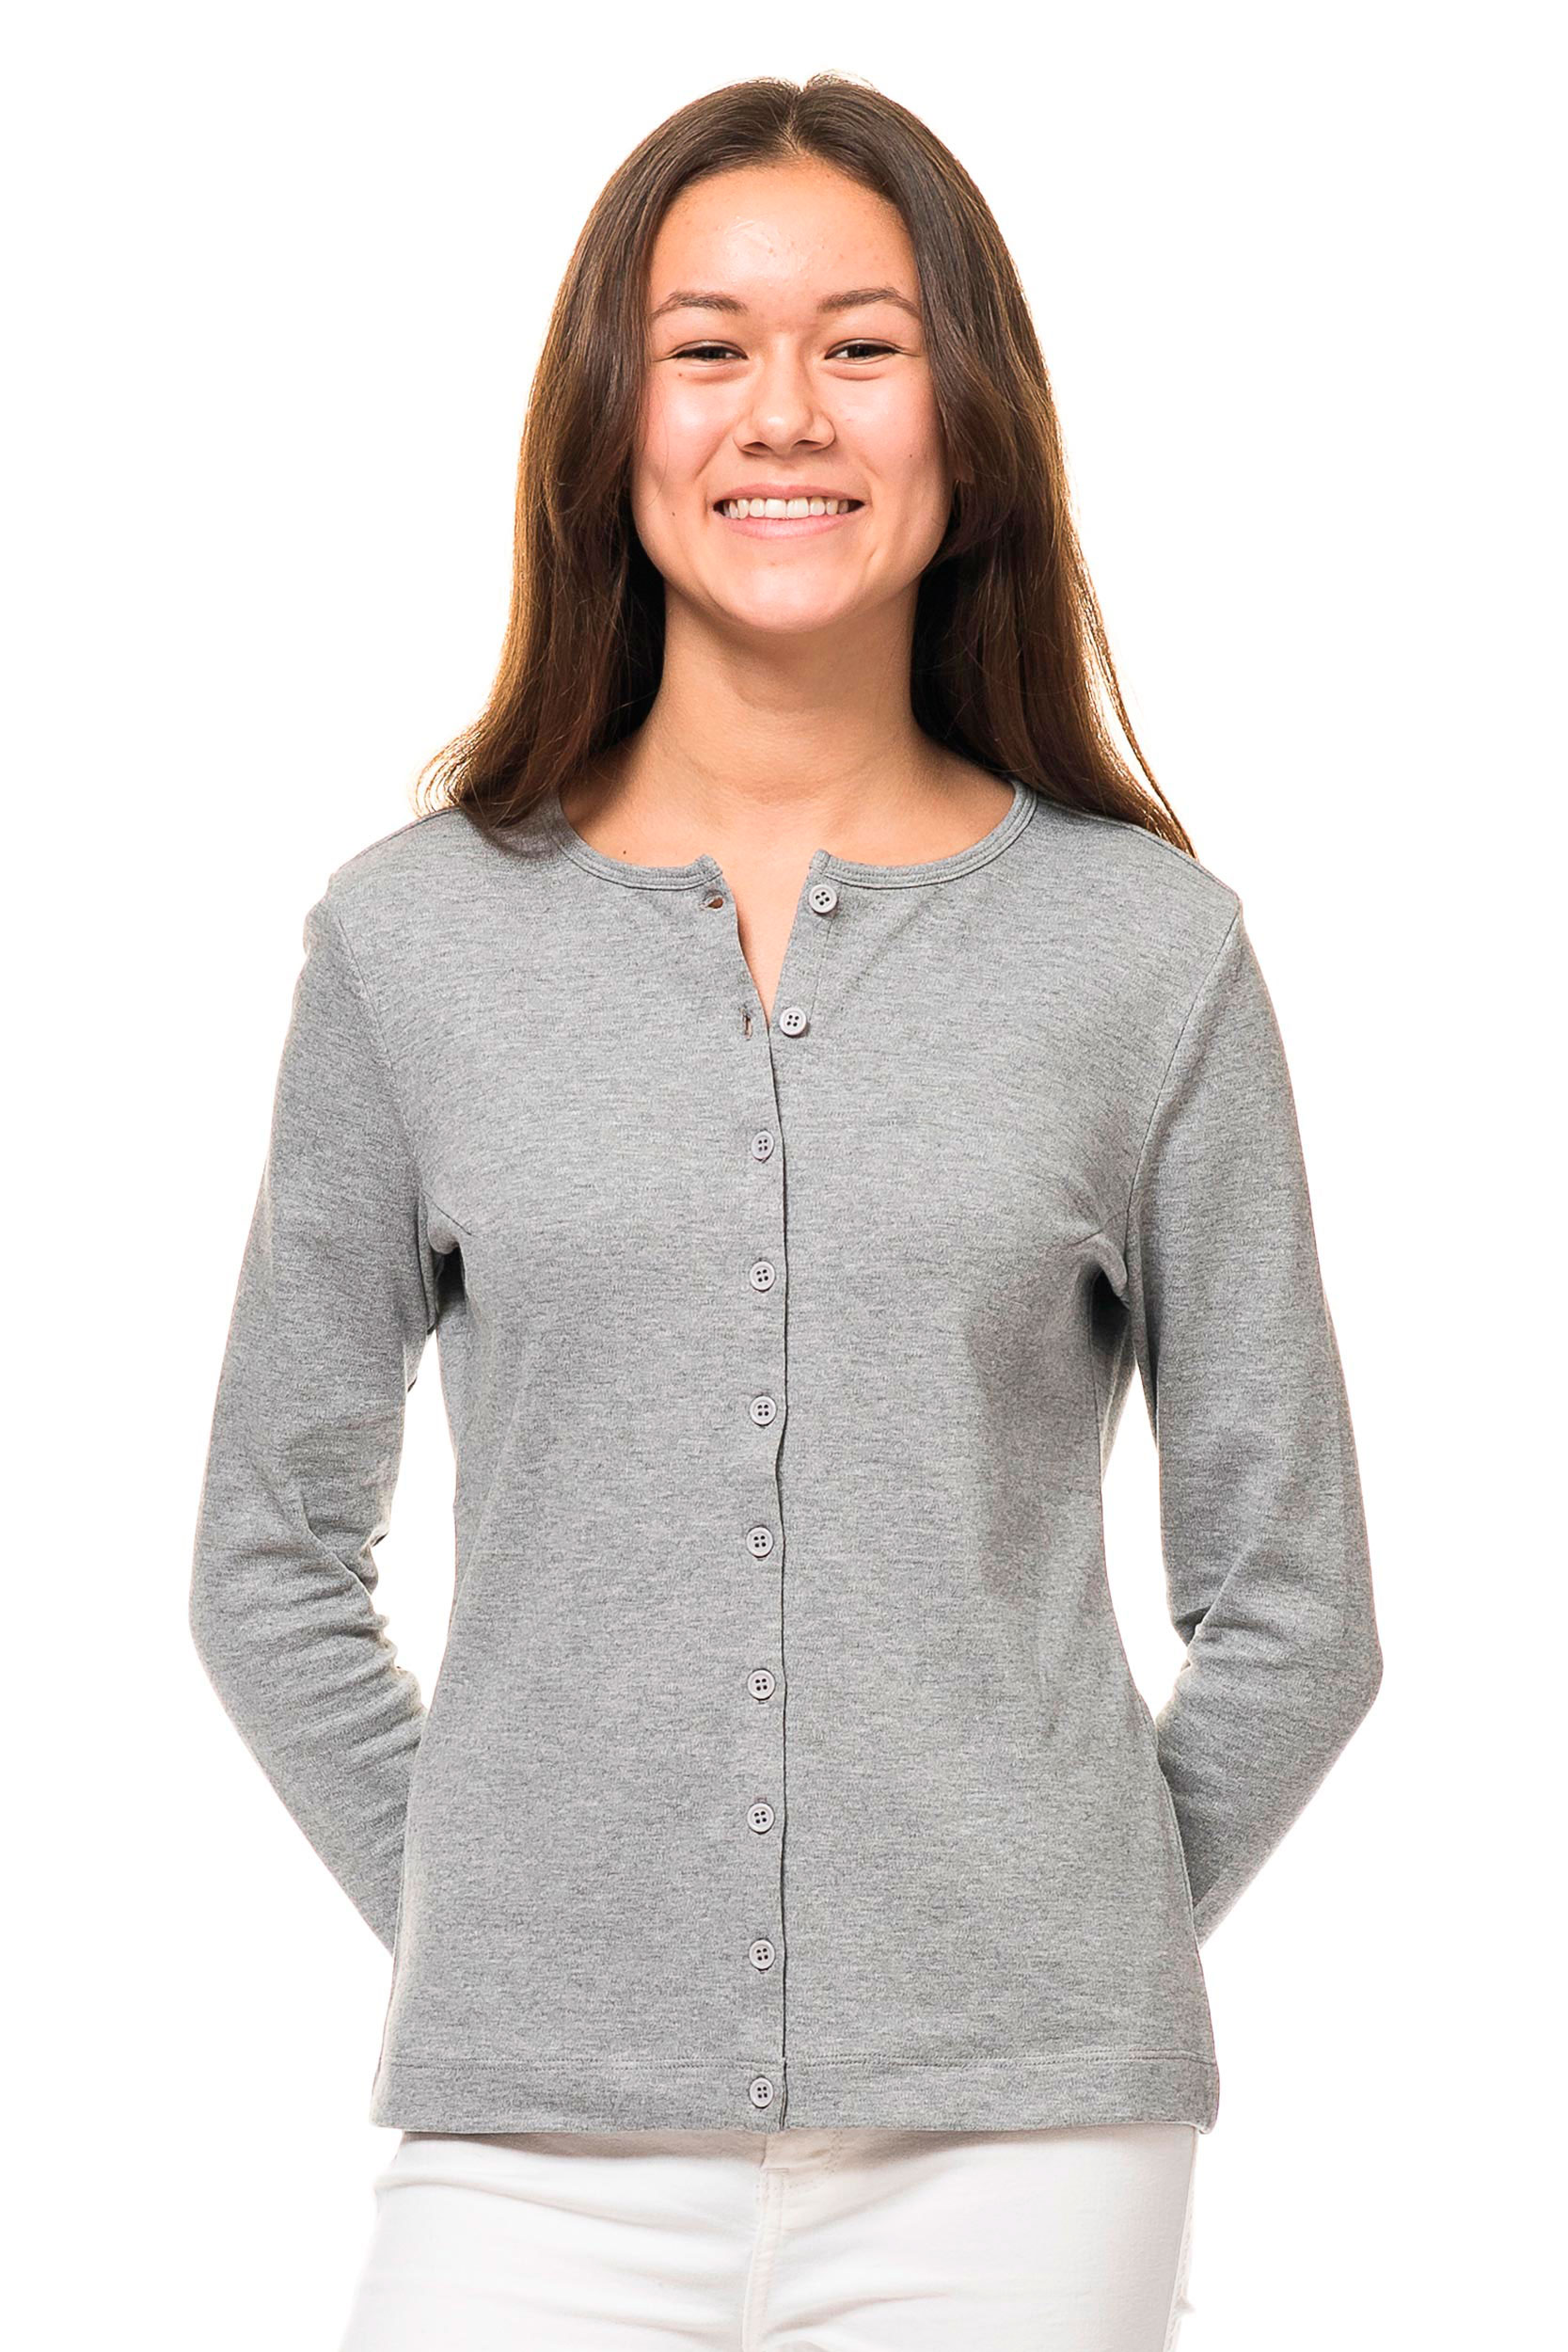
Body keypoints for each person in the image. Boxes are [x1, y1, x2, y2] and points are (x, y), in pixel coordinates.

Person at [189, 72, 1384, 2352]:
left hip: (1027, 2160)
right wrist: (505, 1928)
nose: (785, 414)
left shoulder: (1147, 953)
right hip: (524, 2142)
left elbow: (1298, 1602)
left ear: (966, 414)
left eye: (863, 342)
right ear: (611, 416)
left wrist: (1053, 1942)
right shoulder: (410, 942)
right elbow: (266, 1554)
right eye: (708, 345)